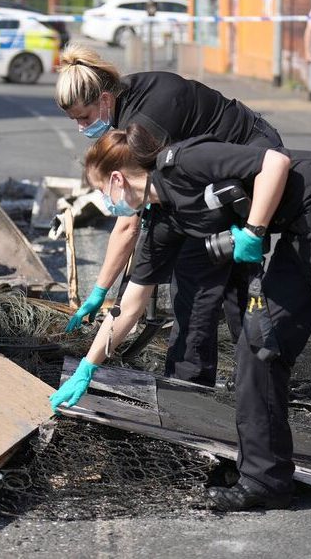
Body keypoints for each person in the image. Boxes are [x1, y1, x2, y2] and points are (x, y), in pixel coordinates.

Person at [50, 124, 311, 521]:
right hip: (299, 237)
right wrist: (87, 369)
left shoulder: (184, 161)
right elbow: (129, 306)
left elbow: (275, 161)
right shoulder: (163, 218)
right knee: (259, 346)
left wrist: (254, 230)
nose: (104, 201)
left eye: (101, 190)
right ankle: (266, 479)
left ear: (117, 179)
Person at [55, 44, 283, 385]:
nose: (80, 128)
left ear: (103, 99)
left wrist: (101, 293)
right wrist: (101, 292)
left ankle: (188, 383)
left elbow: (128, 222)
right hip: (215, 174)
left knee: (194, 274)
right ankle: (261, 373)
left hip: (251, 160)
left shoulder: (143, 124)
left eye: (83, 118)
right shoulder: (124, 98)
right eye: (74, 120)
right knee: (231, 274)